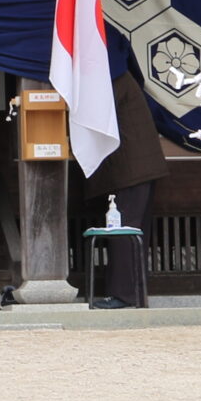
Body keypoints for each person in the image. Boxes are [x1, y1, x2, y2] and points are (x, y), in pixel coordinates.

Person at [81, 65, 170, 309]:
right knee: (131, 232)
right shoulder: (117, 73)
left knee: (123, 231)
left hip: (132, 169)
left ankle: (125, 295)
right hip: (136, 167)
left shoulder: (113, 77)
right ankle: (134, 295)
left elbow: (94, 114)